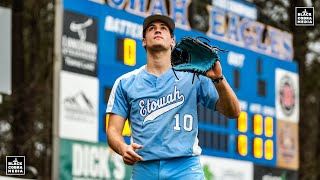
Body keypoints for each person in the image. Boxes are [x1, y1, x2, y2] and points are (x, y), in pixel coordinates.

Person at [106, 14, 240, 179]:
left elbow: (233, 112)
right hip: (144, 167)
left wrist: (219, 79)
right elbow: (113, 129)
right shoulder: (125, 82)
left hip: (184, 167)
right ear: (143, 41)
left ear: (172, 41)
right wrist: (122, 147)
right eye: (151, 28)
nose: (158, 31)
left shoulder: (194, 76)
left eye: (163, 28)